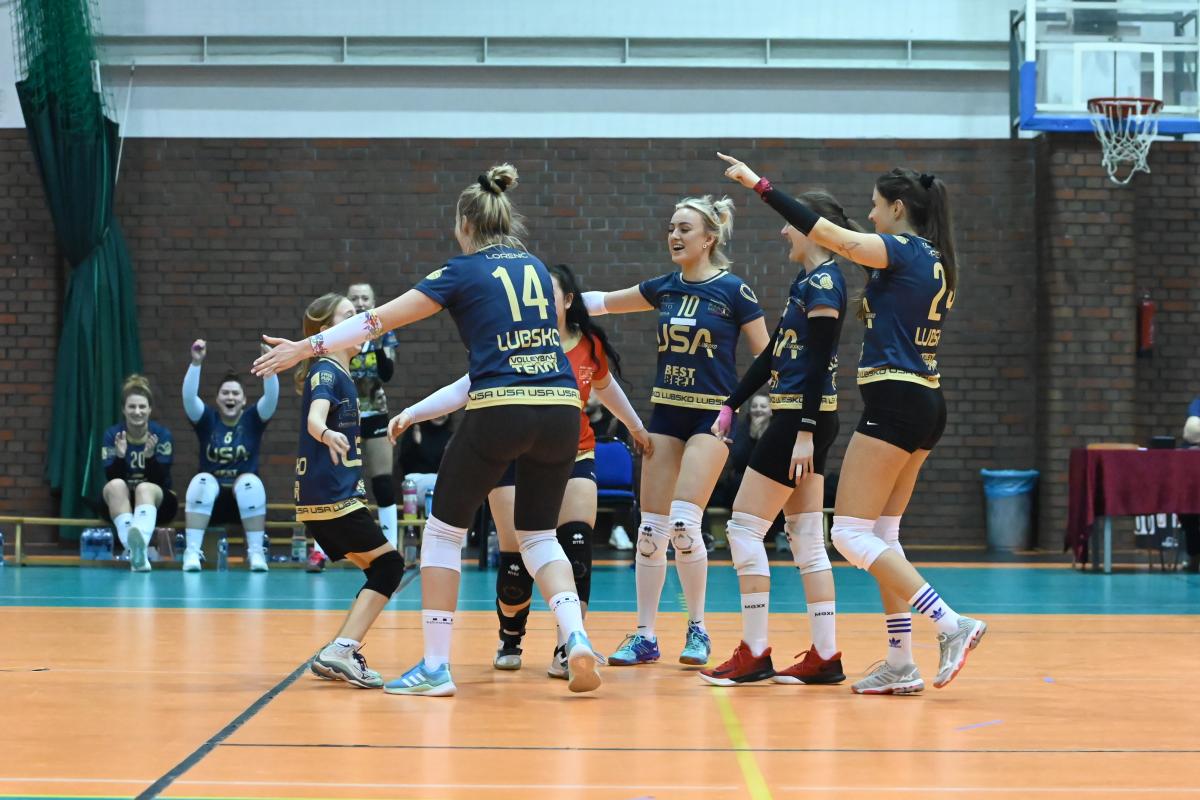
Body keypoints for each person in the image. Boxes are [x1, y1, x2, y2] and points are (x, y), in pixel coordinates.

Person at [254, 164, 604, 697]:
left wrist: (306, 347)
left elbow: (377, 321)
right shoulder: (535, 267)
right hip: (560, 408)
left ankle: (436, 667)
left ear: (464, 223)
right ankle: (574, 636)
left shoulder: (462, 271)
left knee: (442, 532)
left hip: (502, 407)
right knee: (538, 536)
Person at [719, 152, 987, 693]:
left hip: (896, 401)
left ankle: (949, 623)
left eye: (875, 206)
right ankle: (900, 662)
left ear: (898, 208)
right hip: (926, 401)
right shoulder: (935, 259)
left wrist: (758, 184)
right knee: (884, 536)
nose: (869, 216)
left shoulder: (902, 248)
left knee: (848, 533)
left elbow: (827, 234)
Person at [392, 263, 652, 678]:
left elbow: (608, 388)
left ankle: (569, 644)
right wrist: (414, 412)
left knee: (576, 544)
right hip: (512, 452)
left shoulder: (588, 345)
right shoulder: (518, 339)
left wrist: (636, 427)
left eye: (549, 295)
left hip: (571, 451)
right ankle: (511, 636)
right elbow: (466, 386)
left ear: (568, 301)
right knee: (518, 557)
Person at [583, 195, 771, 667]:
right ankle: (645, 635)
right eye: (671, 228)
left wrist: (741, 405)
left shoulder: (734, 291)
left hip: (711, 418)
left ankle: (698, 628)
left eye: (684, 228)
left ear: (709, 238)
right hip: (666, 415)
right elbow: (601, 303)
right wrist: (554, 302)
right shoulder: (663, 288)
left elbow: (767, 356)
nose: (674, 235)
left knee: (685, 525)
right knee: (650, 531)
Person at [696, 192, 855, 688]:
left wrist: (803, 430)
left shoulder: (825, 282)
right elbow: (773, 356)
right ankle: (825, 656)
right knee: (807, 540)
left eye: (790, 223)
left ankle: (755, 652)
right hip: (808, 418)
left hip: (798, 421)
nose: (784, 230)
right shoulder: (808, 281)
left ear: (812, 227)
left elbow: (819, 362)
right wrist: (732, 403)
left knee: (744, 530)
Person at [290, 293, 406, 688]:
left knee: (381, 569)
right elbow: (315, 418)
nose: (360, 320)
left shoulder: (338, 371)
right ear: (327, 332)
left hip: (327, 498)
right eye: (349, 315)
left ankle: (339, 651)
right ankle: (341, 649)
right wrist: (326, 434)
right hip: (331, 498)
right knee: (390, 566)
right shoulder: (327, 370)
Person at [180, 340, 278, 572]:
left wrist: (269, 366)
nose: (230, 397)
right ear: (217, 399)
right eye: (225, 393)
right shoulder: (207, 420)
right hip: (210, 504)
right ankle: (191, 552)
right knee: (202, 481)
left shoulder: (252, 420)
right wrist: (196, 363)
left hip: (244, 504)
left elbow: (271, 398)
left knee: (250, 482)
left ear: (244, 400)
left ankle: (256, 553)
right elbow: (189, 399)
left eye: (235, 393)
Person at [97, 375, 177, 572]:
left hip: (157, 502)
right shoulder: (113, 435)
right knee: (115, 485)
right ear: (124, 409)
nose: (137, 412)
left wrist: (149, 458)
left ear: (150, 409)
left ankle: (134, 549)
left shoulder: (161, 435)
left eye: (142, 407)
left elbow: (161, 480)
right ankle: (137, 552)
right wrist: (119, 457)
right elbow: (111, 477)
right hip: (121, 501)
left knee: (144, 488)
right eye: (132, 407)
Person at [348, 282, 401, 548]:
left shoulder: (384, 330)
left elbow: (387, 374)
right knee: (343, 481)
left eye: (365, 298)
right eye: (355, 298)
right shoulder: (339, 332)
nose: (360, 303)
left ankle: (390, 544)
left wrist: (377, 344)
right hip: (345, 416)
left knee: (382, 481)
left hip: (375, 412)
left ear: (373, 302)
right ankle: (326, 547)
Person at [1180, 397, 1200, 573]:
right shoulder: (1197, 404)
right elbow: (1192, 430)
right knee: (1187, 508)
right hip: (1193, 477)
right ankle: (1195, 555)